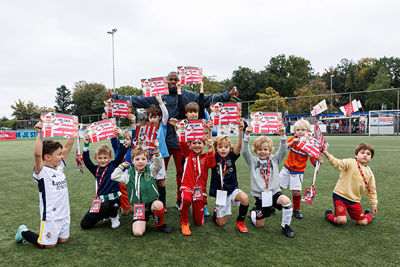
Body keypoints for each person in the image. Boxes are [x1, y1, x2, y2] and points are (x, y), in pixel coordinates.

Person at [106, 72, 238, 208]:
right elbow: (137, 100)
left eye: (176, 79)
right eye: (171, 79)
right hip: (161, 144)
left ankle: (180, 200)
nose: (173, 82)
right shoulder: (159, 95)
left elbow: (207, 99)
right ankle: (157, 202)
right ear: (166, 81)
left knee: (182, 174)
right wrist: (115, 97)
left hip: (181, 143)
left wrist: (227, 95)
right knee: (157, 174)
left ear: (179, 81)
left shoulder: (187, 94)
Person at [15, 122, 75, 248]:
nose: (62, 156)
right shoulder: (41, 172)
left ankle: (55, 234)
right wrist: (39, 134)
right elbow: (37, 154)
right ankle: (23, 232)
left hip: (64, 213)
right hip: (50, 216)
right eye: (59, 154)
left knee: (63, 240)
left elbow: (68, 147)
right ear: (47, 157)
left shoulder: (59, 167)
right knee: (47, 245)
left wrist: (73, 131)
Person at [243, 124, 295, 238]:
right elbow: (245, 152)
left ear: (270, 150)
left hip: (274, 192)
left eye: (265, 149)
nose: (263, 152)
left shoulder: (274, 159)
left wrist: (283, 135)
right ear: (255, 150)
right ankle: (254, 212)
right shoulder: (252, 161)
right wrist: (246, 136)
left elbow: (283, 150)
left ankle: (286, 226)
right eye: (260, 149)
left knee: (286, 201)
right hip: (261, 196)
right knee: (259, 225)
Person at [111, 141, 173, 236]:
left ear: (147, 160)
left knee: (159, 205)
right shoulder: (128, 174)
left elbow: (158, 164)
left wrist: (156, 150)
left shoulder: (151, 170)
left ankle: (160, 224)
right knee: (138, 233)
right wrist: (122, 166)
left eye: (143, 159)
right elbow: (114, 176)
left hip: (152, 204)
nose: (140, 161)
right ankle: (143, 218)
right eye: (137, 159)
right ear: (132, 161)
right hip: (139, 207)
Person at [79, 130, 127, 229]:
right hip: (101, 201)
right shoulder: (95, 169)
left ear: (110, 157)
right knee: (85, 225)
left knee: (107, 205)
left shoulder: (114, 165)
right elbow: (87, 161)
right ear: (96, 158)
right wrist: (86, 145)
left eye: (105, 158)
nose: (103, 160)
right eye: (100, 158)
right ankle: (105, 214)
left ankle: (114, 216)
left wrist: (121, 137)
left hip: (114, 200)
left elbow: (122, 152)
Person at [209, 119, 249, 233]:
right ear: (216, 148)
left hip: (232, 190)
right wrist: (210, 131)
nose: (223, 149)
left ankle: (240, 222)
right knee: (220, 224)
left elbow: (239, 146)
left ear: (229, 148)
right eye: (220, 147)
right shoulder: (214, 157)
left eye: (226, 147)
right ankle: (217, 211)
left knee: (245, 198)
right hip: (221, 193)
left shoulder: (231, 156)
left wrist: (240, 131)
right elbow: (209, 144)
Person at [323, 143, 377, 226]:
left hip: (354, 200)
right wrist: (327, 154)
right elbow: (337, 163)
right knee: (341, 221)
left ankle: (368, 214)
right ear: (356, 154)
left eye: (368, 154)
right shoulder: (350, 162)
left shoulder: (370, 173)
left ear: (371, 158)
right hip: (340, 196)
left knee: (362, 222)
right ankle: (329, 215)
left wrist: (374, 204)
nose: (365, 155)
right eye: (362, 153)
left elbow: (371, 189)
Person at [279, 119, 323, 219]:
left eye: (303, 130)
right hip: (286, 168)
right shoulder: (293, 139)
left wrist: (317, 162)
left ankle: (296, 209)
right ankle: (273, 205)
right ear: (295, 131)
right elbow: (284, 147)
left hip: (298, 172)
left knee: (296, 192)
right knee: (278, 187)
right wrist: (292, 143)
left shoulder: (308, 144)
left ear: (307, 131)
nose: (300, 132)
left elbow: (313, 157)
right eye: (298, 130)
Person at [104, 113, 136, 216]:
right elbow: (113, 137)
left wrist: (134, 122)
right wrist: (108, 120)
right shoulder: (118, 149)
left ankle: (126, 205)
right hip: (116, 179)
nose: (126, 141)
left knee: (125, 213)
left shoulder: (133, 150)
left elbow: (135, 135)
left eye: (128, 139)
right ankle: (113, 205)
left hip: (127, 180)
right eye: (124, 139)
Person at [144, 95, 169, 210]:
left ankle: (162, 205)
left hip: (160, 157)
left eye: (155, 117)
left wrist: (160, 101)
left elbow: (166, 114)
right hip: (148, 157)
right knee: (150, 180)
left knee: (161, 182)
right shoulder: (145, 128)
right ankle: (150, 204)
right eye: (151, 117)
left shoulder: (162, 126)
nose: (153, 119)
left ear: (159, 117)